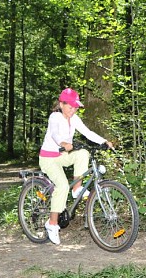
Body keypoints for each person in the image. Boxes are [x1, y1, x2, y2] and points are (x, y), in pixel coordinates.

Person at [40, 87, 113, 245]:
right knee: (62, 186)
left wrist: (103, 141)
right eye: (70, 107)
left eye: (75, 107)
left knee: (83, 153)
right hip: (48, 158)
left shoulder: (74, 119)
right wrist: (63, 143)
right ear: (61, 104)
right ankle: (51, 224)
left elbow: (88, 132)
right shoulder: (55, 117)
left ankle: (77, 188)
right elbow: (54, 133)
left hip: (63, 156)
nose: (73, 110)